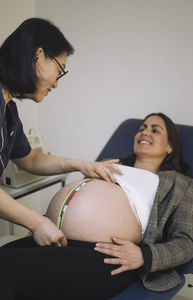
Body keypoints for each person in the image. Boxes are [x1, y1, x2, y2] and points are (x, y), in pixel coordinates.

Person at [2, 113, 193, 300]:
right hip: (56, 238)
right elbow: (77, 197)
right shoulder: (109, 164)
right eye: (142, 128)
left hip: (102, 254)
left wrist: (144, 256)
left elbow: (186, 243)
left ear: (170, 146)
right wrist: (45, 220)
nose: (144, 132)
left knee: (8, 270)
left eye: (155, 130)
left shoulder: (182, 185)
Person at [0, 17, 121, 249]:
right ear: (38, 55)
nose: (56, 84)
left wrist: (79, 165)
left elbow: (30, 159)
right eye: (60, 70)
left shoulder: (9, 111)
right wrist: (35, 222)